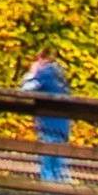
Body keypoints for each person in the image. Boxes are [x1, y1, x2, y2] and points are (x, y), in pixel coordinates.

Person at [24, 54, 71, 182]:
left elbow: (25, 90)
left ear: (41, 60)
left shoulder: (45, 74)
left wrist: (32, 73)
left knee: (48, 167)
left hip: (48, 125)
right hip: (62, 127)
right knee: (60, 168)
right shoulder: (61, 77)